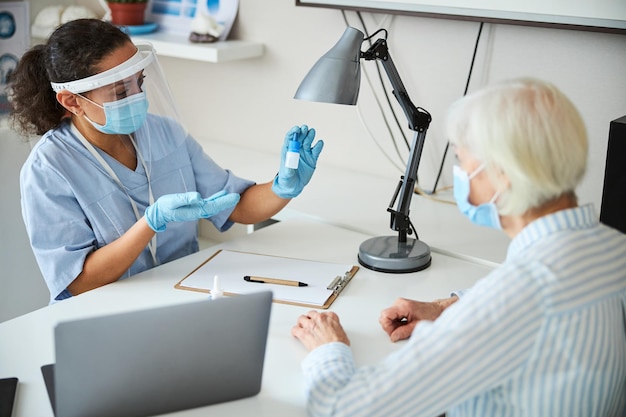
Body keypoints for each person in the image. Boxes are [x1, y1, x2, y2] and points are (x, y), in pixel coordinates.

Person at [291, 78, 626, 416]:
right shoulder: (614, 251)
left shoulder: (512, 300)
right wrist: (450, 306)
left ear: (502, 173)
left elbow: (344, 408)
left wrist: (327, 348)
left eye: (462, 159)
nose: (459, 174)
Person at [8, 19, 324, 304]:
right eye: (121, 92)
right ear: (72, 101)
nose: (136, 97)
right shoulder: (49, 169)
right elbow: (77, 283)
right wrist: (150, 223)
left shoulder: (163, 132)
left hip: (182, 296)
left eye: (139, 83)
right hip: (101, 315)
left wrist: (283, 185)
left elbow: (236, 204)